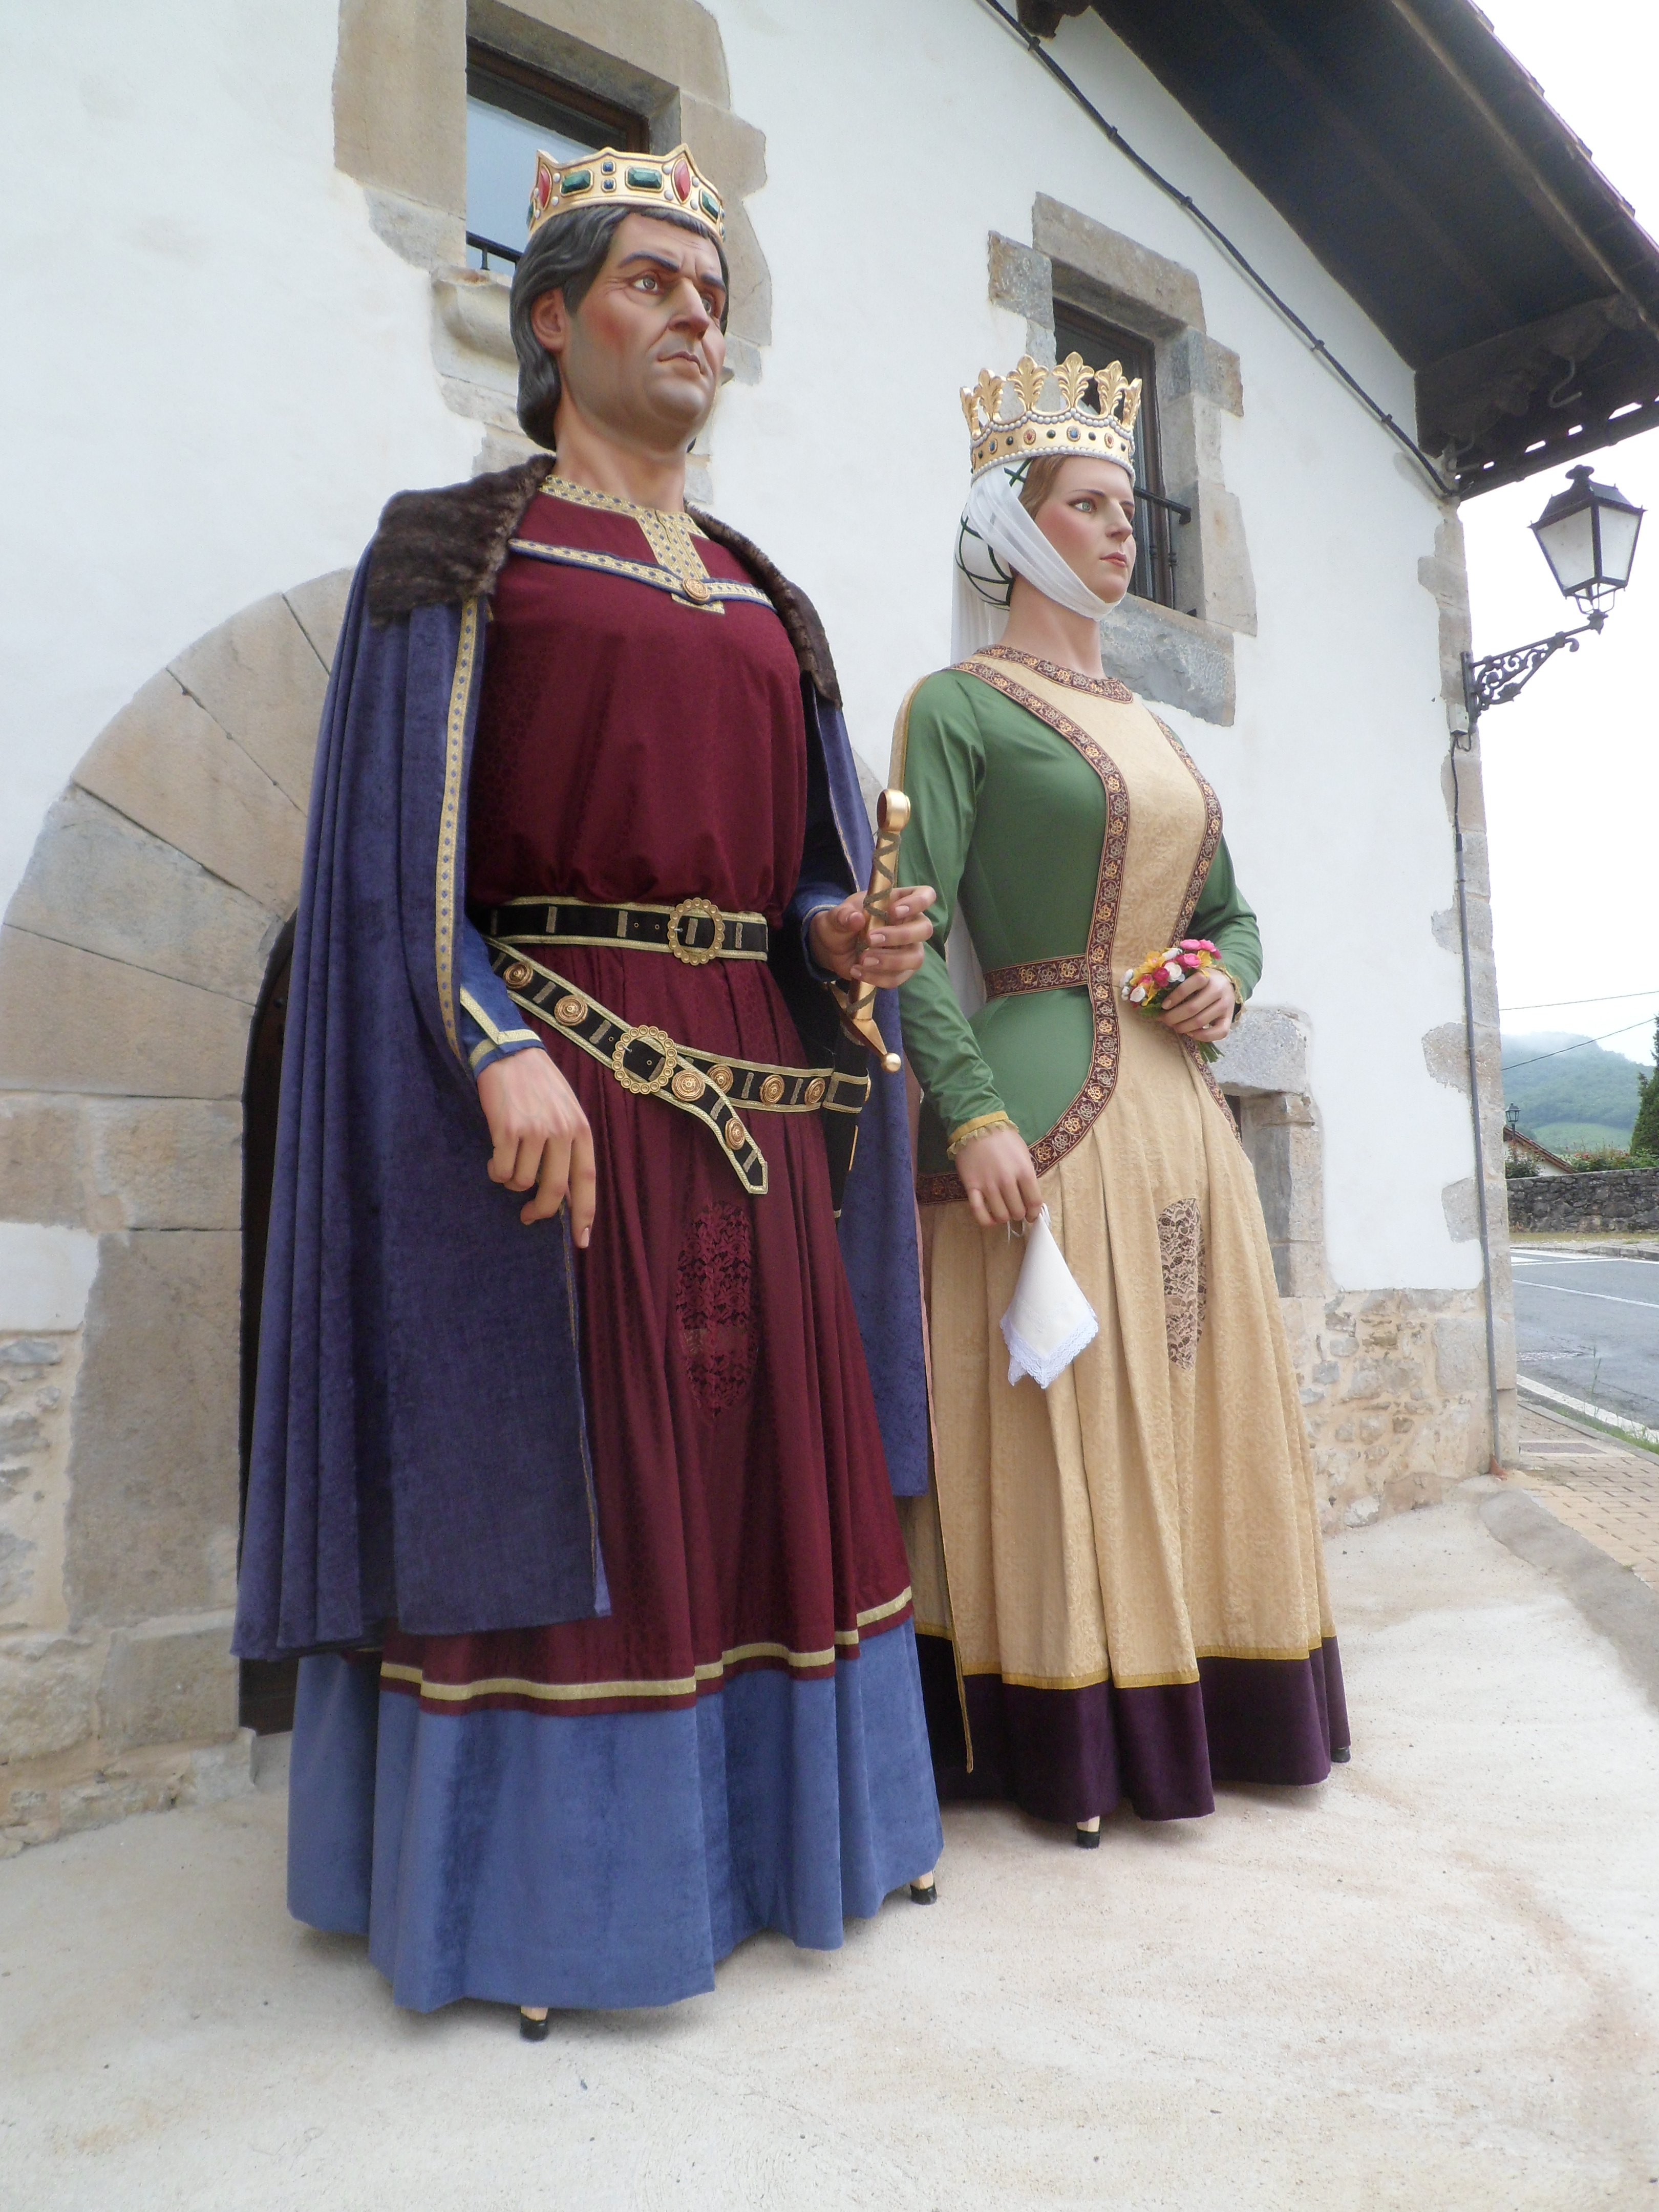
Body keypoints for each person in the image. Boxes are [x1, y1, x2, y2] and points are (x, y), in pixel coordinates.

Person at [235, 143, 943, 2030]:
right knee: (596, 1492)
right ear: (550, 321)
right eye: (651, 282)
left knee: (762, 1483)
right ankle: (558, 1911)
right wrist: (488, 1044)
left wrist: (840, 935)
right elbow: (390, 873)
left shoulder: (767, 595)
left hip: (758, 1104)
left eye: (713, 290)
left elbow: (793, 880)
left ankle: (796, 1850)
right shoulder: (457, 557)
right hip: (568, 1090)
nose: (695, 314)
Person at [893, 353, 1349, 1843]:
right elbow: (909, 932)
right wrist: (971, 1114)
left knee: (1199, 1403)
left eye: (1124, 505)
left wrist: (1219, 977)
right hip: (1043, 1117)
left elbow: (1229, 914)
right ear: (1013, 528)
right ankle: (1067, 1739)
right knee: (1063, 1415)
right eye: (1086, 504)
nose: (1119, 527)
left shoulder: (1157, 728)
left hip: (1181, 1119)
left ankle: (1212, 1702)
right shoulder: (958, 705)